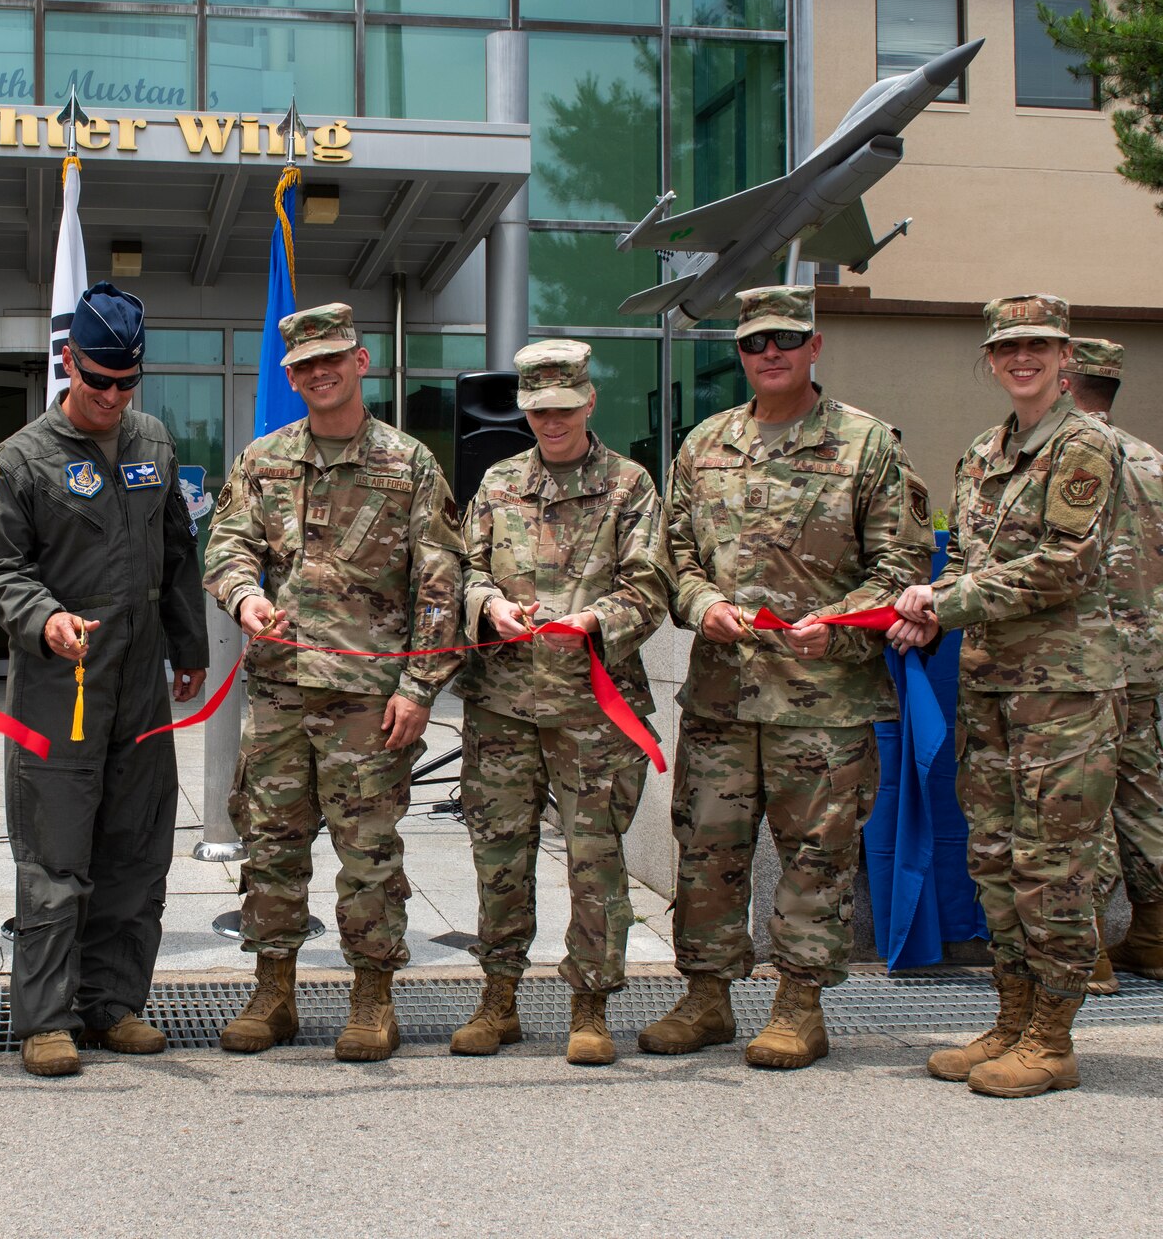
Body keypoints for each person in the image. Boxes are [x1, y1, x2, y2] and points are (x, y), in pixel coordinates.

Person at [646, 285, 930, 1069]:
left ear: (815, 345)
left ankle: (799, 1003)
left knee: (816, 855)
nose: (769, 353)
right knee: (706, 850)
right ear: (738, 353)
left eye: (785, 338)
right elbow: (672, 555)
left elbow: (901, 567)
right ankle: (706, 998)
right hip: (722, 697)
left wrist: (835, 627)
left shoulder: (866, 444)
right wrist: (701, 604)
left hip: (823, 703)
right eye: (753, 342)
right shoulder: (703, 443)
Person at [203, 302, 464, 1063]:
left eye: (333, 359)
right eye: (305, 366)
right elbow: (225, 544)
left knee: (369, 853)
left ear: (361, 362)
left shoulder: (408, 463)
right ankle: (273, 991)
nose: (320, 374)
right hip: (281, 692)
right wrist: (245, 595)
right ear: (290, 376)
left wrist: (419, 688)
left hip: (368, 701)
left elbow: (441, 585)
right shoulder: (264, 459)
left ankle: (372, 997)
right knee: (272, 845)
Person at [0, 282, 209, 1077]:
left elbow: (177, 552)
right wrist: (44, 618)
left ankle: (114, 1003)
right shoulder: (20, 460)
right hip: (61, 679)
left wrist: (190, 646)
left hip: (139, 676)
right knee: (55, 855)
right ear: (68, 363)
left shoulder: (153, 442)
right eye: (97, 379)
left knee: (137, 849)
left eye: (125, 383)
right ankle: (46, 1017)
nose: (111, 397)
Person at [892, 297, 1125, 1097]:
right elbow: (966, 562)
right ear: (991, 359)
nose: (1021, 358)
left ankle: (1053, 1040)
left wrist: (945, 605)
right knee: (993, 858)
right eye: (1006, 346)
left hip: (1064, 692)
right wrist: (931, 612)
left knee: (1051, 865)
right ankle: (1012, 1017)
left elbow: (1066, 564)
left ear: (1065, 356)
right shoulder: (981, 453)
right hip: (991, 686)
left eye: (1037, 345)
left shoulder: (1085, 445)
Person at [450, 341, 668, 1066]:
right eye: (538, 410)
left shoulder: (629, 485)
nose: (551, 421)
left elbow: (650, 585)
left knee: (594, 862)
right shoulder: (499, 482)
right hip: (504, 709)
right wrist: (486, 606)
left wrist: (596, 622)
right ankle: (498, 998)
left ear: (589, 402)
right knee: (499, 857)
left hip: (592, 713)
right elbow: (464, 570)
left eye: (564, 409)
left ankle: (591, 1005)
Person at [1059, 338, 1163, 991]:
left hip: (1084, 649)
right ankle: (1153, 932)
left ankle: (1086, 945)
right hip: (1148, 648)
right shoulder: (1153, 460)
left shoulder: (1065, 454)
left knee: (1081, 794)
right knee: (1144, 786)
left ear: (1065, 379)